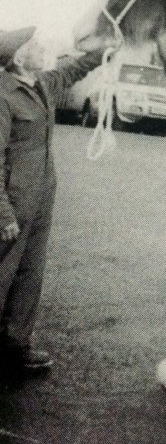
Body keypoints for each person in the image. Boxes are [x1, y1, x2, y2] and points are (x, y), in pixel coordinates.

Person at [0, 26, 111, 372]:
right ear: (19, 58)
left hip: (42, 194)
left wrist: (107, 48)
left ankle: (15, 345)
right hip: (13, 200)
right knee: (3, 272)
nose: (42, 46)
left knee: (30, 272)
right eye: (33, 45)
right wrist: (3, 213)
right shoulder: (3, 95)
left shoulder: (43, 83)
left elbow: (75, 69)